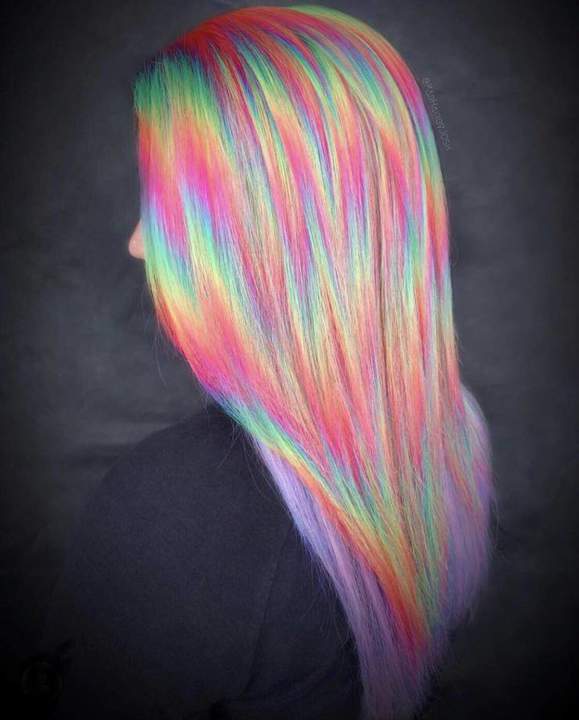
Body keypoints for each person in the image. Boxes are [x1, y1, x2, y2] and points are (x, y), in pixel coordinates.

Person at [32, 5, 495, 720]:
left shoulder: (174, 518)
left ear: (260, 238)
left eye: (168, 209)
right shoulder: (453, 428)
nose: (138, 243)